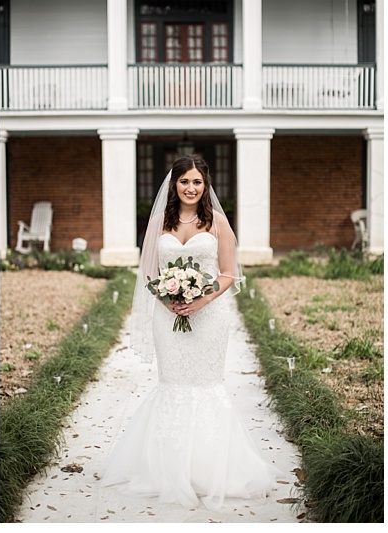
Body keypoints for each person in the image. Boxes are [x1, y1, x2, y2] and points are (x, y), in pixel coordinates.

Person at [100, 155, 280, 510]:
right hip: (167, 318)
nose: (191, 188)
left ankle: (209, 470)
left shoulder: (217, 224)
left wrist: (201, 300)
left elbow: (229, 273)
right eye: (185, 181)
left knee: (205, 384)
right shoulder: (159, 224)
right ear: (174, 185)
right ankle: (164, 469)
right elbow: (149, 273)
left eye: (197, 182)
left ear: (206, 185)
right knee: (173, 384)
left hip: (210, 317)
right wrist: (168, 299)